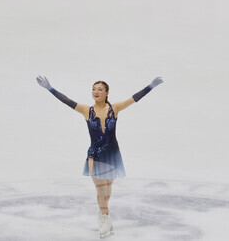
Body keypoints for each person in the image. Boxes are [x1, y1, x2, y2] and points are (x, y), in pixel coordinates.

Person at [35, 75, 163, 239]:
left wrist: (150, 87)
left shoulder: (115, 108)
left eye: (100, 89)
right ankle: (105, 219)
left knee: (108, 188)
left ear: (107, 93)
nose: (96, 91)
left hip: (112, 153)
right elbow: (67, 101)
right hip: (94, 155)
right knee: (100, 188)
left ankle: (102, 212)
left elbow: (133, 99)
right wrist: (50, 89)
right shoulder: (86, 110)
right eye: (94, 89)